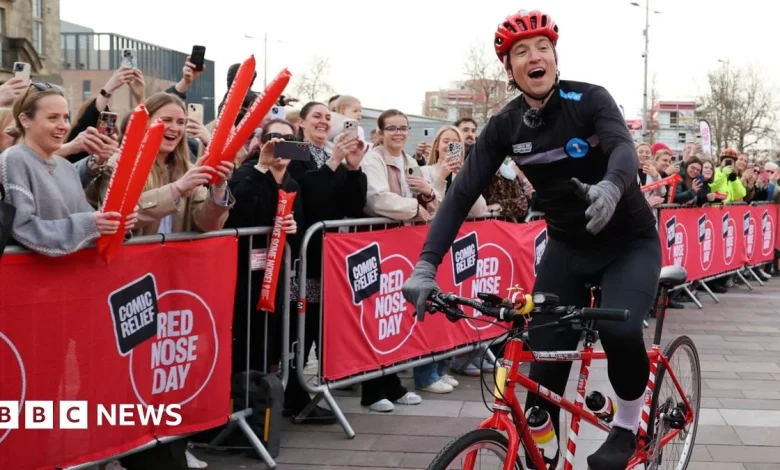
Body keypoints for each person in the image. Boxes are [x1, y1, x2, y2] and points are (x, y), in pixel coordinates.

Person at [401, 10, 660, 470]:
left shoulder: (590, 99)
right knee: (543, 367)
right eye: (521, 52)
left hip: (628, 242)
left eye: (542, 48)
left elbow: (621, 147)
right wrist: (425, 265)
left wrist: (611, 187)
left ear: (555, 58)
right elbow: (462, 194)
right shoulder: (506, 125)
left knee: (619, 330)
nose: (534, 57)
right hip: (568, 249)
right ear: (510, 69)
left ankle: (627, 425)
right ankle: (548, 443)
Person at [0, 83, 137, 257]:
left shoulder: (64, 165)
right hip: (35, 280)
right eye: (52, 118)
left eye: (66, 117)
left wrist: (115, 222)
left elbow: (89, 220)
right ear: (24, 120)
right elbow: (22, 228)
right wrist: (90, 225)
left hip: (70, 278)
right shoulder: (14, 159)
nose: (63, 126)